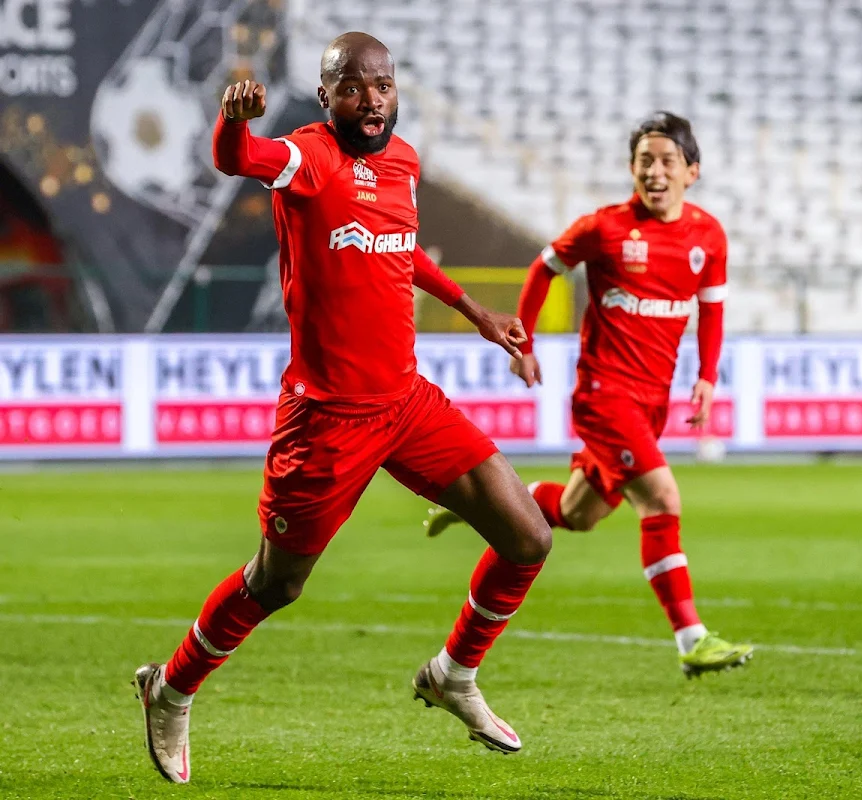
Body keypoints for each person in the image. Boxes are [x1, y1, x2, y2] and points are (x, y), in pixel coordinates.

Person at [133, 32, 552, 784]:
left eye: (383, 86)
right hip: (326, 422)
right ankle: (170, 688)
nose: (372, 102)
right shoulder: (307, 156)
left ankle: (453, 674)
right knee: (277, 583)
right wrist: (235, 121)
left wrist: (478, 314)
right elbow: (236, 160)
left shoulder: (404, 162)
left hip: (408, 402)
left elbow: (403, 248)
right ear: (327, 97)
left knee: (528, 537)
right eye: (353, 89)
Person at [426, 112, 752, 678]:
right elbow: (543, 269)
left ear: (691, 172)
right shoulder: (604, 229)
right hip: (605, 397)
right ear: (631, 169)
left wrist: (707, 376)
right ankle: (692, 639)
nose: (654, 171)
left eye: (666, 161)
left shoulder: (707, 236)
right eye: (644, 161)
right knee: (662, 500)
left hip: (653, 403)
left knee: (579, 513)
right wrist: (522, 343)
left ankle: (478, 501)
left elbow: (712, 309)